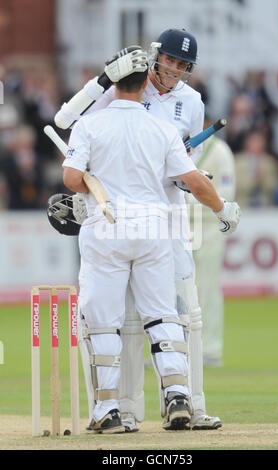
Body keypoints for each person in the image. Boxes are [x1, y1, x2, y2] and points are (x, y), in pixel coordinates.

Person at [54, 30, 227, 431]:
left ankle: (119, 410)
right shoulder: (159, 127)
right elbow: (194, 178)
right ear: (150, 64)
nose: (176, 70)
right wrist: (220, 206)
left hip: (120, 223)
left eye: (184, 66)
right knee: (162, 316)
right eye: (170, 61)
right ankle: (162, 401)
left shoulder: (98, 122)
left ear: (114, 82)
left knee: (111, 320)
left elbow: (71, 171)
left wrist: (87, 189)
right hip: (154, 225)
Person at [188, 116, 236, 367]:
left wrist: (190, 201)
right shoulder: (181, 144)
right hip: (180, 227)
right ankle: (178, 349)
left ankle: (210, 350)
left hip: (208, 227)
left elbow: (227, 194)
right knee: (176, 291)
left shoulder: (219, 150)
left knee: (206, 287)